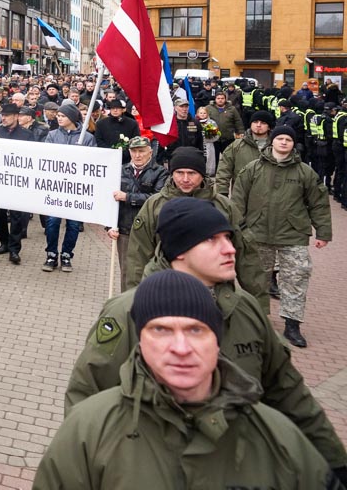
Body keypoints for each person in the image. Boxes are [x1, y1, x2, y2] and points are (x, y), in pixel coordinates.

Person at [66, 197, 347, 475]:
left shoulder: (245, 308)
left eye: (228, 237)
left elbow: (288, 393)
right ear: (180, 251)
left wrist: (335, 462)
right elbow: (86, 395)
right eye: (213, 240)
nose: (230, 249)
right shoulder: (129, 311)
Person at [37, 270, 338, 489]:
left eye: (196, 330)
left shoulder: (279, 439)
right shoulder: (87, 431)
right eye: (161, 330)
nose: (181, 348)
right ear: (139, 341)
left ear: (217, 341)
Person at [125, 146, 270, 310]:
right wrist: (135, 299)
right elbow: (138, 256)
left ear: (203, 175)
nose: (185, 179)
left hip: (214, 296)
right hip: (166, 291)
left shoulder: (224, 207)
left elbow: (247, 256)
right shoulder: (154, 206)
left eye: (192, 173)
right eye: (179, 173)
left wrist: (259, 307)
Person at [231, 124, 332, 348]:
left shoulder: (304, 172)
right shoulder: (252, 168)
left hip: (292, 235)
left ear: (293, 143)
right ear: (272, 141)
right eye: (280, 139)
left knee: (295, 279)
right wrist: (238, 227)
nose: (284, 142)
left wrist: (323, 232)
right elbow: (237, 200)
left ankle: (292, 325)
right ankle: (256, 322)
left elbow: (319, 204)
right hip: (257, 233)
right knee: (256, 280)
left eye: (288, 139)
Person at [41, 103, 96, 272]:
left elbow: (93, 161)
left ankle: (66, 254)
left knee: (73, 225)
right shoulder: (51, 135)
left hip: (76, 188)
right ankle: (51, 254)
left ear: (72, 118)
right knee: (52, 222)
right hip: (56, 186)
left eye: (62, 116)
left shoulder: (86, 138)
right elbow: (45, 157)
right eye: (58, 115)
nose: (59, 118)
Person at [108, 136, 167, 289]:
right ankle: (127, 306)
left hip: (150, 232)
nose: (138, 155)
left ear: (150, 152)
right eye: (134, 151)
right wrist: (109, 226)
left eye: (141, 151)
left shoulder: (160, 172)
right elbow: (109, 200)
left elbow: (157, 198)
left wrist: (128, 197)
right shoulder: (120, 170)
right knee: (127, 273)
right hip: (125, 231)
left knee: (150, 271)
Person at [0, 104, 35, 264]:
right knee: (0, 214)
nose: (4, 118)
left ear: (16, 116)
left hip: (17, 180)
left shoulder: (26, 135)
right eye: (3, 115)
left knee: (16, 215)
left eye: (8, 115)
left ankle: (15, 248)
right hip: (0, 180)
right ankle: (4, 242)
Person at [215, 109, 273, 195]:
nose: (258, 125)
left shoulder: (276, 146)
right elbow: (224, 170)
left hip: (269, 196)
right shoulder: (237, 145)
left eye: (263, 123)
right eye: (255, 122)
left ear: (269, 127)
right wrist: (222, 192)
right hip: (241, 196)